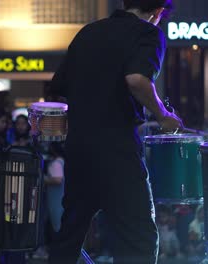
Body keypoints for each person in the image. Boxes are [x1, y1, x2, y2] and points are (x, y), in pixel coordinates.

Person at [48, 0, 184, 263]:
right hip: (117, 148)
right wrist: (164, 115)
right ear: (157, 13)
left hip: (79, 147)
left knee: (70, 235)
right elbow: (136, 79)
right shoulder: (148, 33)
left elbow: (60, 85)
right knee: (138, 236)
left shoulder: (89, 32)